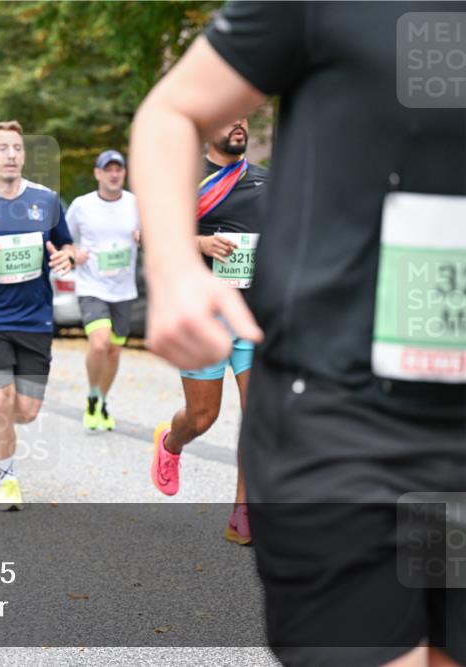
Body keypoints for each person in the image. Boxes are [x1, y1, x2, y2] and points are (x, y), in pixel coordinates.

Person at [131, 2, 465, 665]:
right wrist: (175, 266)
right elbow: (171, 111)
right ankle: (188, 454)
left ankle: (243, 507)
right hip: (340, 410)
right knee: (205, 414)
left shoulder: (257, 182)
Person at [148, 118, 268, 546]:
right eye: (227, 116)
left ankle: (243, 512)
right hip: (200, 316)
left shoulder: (266, 183)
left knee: (258, 417)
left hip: (251, 317)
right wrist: (199, 244)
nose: (238, 123)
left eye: (243, 117)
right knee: (203, 417)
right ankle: (171, 440)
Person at [0, 120, 76, 511]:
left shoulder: (45, 201)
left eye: (17, 148)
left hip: (35, 320)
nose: (11, 155)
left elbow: (69, 248)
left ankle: (1, 431)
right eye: (3, 148)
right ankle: (7, 479)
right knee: (1, 399)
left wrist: (66, 257)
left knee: (25, 411)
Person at [66, 149, 141, 432]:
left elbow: (154, 234)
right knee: (99, 342)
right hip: (91, 286)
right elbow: (63, 238)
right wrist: (74, 252)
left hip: (124, 290)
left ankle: (101, 400)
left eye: (118, 169)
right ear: (97, 174)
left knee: (113, 351)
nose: (113, 174)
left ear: (123, 173)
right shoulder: (82, 206)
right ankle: (92, 394)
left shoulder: (136, 204)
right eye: (107, 169)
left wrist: (143, 235)